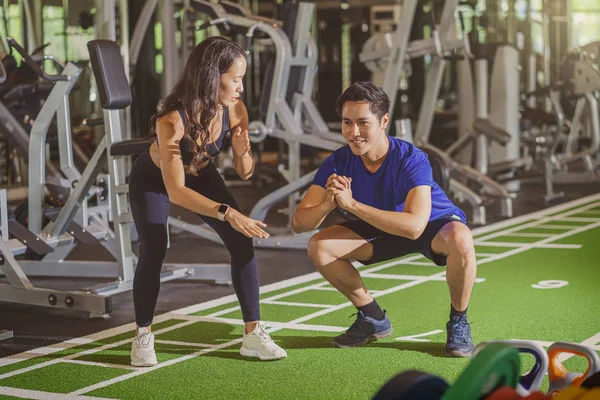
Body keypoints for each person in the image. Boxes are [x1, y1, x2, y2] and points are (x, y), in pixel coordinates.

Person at [128, 37, 287, 366]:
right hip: (153, 180)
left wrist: (243, 153)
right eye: (237, 79)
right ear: (213, 78)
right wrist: (227, 212)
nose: (241, 87)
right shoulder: (171, 121)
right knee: (155, 246)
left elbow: (245, 172)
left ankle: (252, 334)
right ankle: (143, 334)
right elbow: (177, 192)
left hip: (200, 171)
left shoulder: (235, 110)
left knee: (242, 242)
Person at [291, 81, 476, 357]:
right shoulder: (338, 161)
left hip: (431, 225)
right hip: (380, 226)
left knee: (461, 239)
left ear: (383, 121)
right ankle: (372, 317)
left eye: (363, 123)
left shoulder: (412, 159)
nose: (354, 133)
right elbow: (299, 224)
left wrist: (351, 204)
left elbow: (414, 227)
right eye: (346, 123)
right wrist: (327, 204)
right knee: (319, 246)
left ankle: (459, 320)